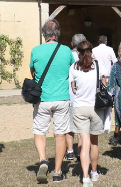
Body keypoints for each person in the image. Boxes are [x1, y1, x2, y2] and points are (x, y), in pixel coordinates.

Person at [31, 19, 76, 183]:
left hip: (42, 98)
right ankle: (57, 171)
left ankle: (43, 160)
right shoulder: (66, 51)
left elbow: (33, 72)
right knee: (60, 134)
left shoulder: (36, 51)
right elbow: (73, 71)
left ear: (44, 34)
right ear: (58, 33)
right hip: (62, 98)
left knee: (40, 131)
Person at [69, 41, 103, 187]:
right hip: (95, 106)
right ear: (91, 51)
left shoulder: (74, 67)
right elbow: (103, 83)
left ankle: (85, 177)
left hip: (80, 107)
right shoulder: (97, 66)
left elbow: (73, 87)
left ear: (78, 53)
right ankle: (94, 172)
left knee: (84, 143)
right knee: (94, 142)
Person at [65, 33, 89, 162]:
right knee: (82, 127)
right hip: (83, 97)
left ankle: (69, 151)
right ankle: (80, 152)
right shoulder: (88, 57)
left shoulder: (66, 56)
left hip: (69, 95)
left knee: (69, 126)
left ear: (72, 44)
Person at [91, 35, 117, 137]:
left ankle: (99, 120)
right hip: (108, 76)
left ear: (98, 41)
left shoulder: (94, 50)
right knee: (108, 99)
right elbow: (115, 62)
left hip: (97, 76)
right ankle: (107, 123)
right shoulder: (110, 49)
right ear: (106, 42)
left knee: (98, 96)